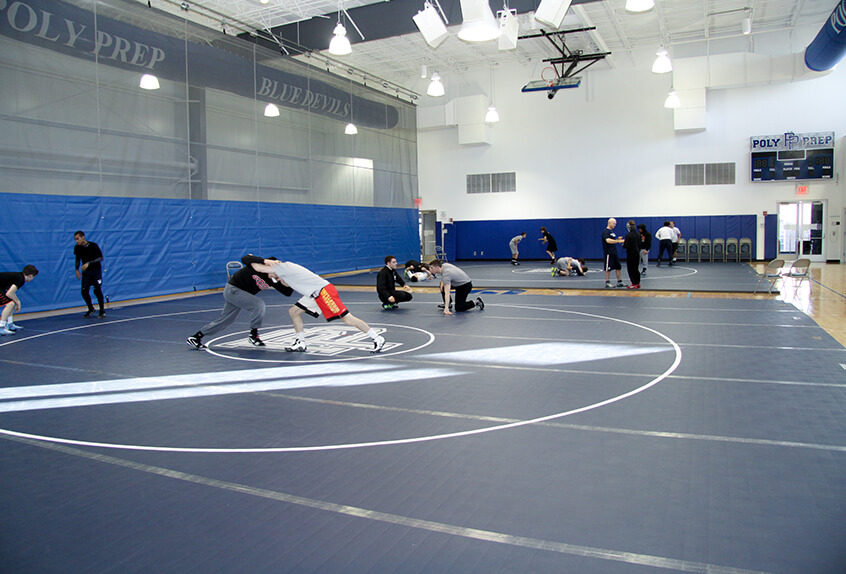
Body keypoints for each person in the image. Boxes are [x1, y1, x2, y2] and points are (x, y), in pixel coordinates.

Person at [253, 259, 386, 353]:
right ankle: (300, 342)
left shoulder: (284, 267)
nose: (270, 277)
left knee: (347, 319)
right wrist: (281, 280)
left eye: (269, 274)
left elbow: (258, 267)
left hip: (323, 292)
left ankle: (377, 338)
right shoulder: (285, 274)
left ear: (274, 265)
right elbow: (287, 286)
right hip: (314, 295)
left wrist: (249, 260)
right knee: (294, 311)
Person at [186, 254, 293, 350]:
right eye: (276, 273)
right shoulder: (255, 266)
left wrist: (286, 280)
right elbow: (245, 258)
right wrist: (266, 261)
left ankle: (196, 337)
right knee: (258, 305)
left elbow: (287, 292)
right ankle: (253, 335)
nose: (276, 276)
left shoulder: (271, 280)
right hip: (233, 290)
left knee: (226, 320)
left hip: (240, 295)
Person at [73, 230, 106, 318]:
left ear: (83, 237)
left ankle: (102, 310)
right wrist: (76, 269)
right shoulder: (77, 248)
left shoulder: (93, 246)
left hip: (95, 271)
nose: (77, 241)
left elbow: (100, 258)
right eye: (75, 239)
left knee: (97, 290)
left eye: (78, 239)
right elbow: (77, 258)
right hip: (86, 273)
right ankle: (90, 308)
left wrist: (89, 263)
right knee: (84, 291)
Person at [0, 265, 38, 335]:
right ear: (30, 276)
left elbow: (11, 293)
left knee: (11, 302)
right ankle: (1, 327)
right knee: (10, 304)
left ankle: (9, 324)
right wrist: (18, 302)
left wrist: (16, 301)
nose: (32, 279)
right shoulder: (21, 279)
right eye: (33, 277)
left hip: (1, 288)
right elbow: (9, 293)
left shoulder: (19, 276)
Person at [602, 218, 625, 288]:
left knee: (618, 267)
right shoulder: (606, 232)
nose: (615, 225)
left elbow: (612, 240)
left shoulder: (611, 232)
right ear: (610, 223)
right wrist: (618, 241)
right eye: (614, 223)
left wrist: (617, 239)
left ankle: (619, 281)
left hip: (614, 252)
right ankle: (607, 282)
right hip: (609, 252)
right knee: (608, 268)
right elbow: (608, 240)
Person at [622, 219, 642, 289]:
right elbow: (640, 244)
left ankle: (634, 283)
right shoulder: (638, 234)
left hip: (631, 254)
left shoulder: (628, 235)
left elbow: (626, 245)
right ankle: (638, 283)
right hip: (637, 253)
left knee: (631, 269)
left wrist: (623, 244)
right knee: (636, 269)